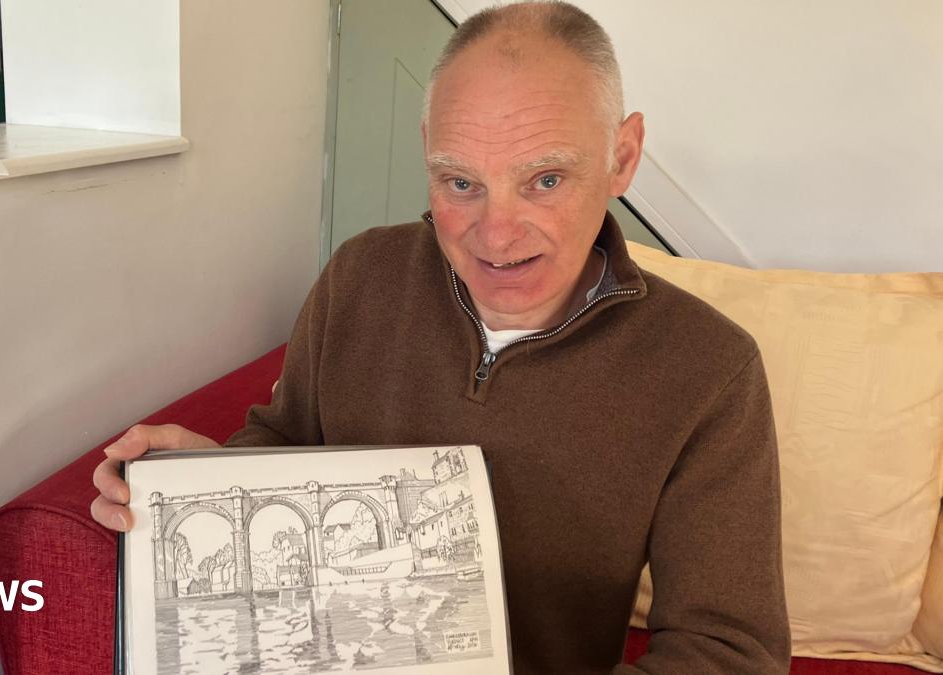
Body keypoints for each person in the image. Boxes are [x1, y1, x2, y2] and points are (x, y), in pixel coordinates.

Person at [91, 2, 791, 672]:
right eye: (461, 182)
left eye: (545, 179)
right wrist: (202, 481)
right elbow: (281, 442)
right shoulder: (361, 275)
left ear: (623, 156)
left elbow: (731, 653)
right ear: (428, 152)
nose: (496, 234)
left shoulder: (710, 370)